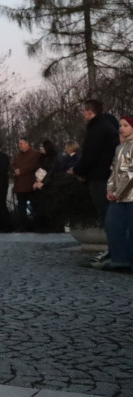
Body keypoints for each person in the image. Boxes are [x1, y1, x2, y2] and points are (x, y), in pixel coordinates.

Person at [72, 99, 120, 229]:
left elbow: (90, 154)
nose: (83, 115)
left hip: (99, 176)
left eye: (84, 111)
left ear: (89, 111)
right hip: (109, 174)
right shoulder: (106, 126)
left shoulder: (96, 129)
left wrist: (78, 170)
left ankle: (113, 247)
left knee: (105, 213)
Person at [101, 115, 133, 272]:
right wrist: (110, 189)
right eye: (120, 125)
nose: (122, 128)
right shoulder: (119, 148)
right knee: (113, 224)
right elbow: (114, 171)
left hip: (130, 195)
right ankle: (120, 259)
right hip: (118, 197)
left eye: (125, 125)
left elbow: (131, 173)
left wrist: (119, 192)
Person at [11, 138, 39, 231]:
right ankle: (23, 226)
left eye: (21, 143)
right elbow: (13, 164)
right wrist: (15, 170)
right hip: (19, 185)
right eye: (19, 144)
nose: (19, 145)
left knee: (35, 206)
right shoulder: (18, 155)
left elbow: (33, 165)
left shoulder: (34, 154)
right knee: (21, 207)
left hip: (30, 184)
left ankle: (37, 225)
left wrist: (21, 171)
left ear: (27, 144)